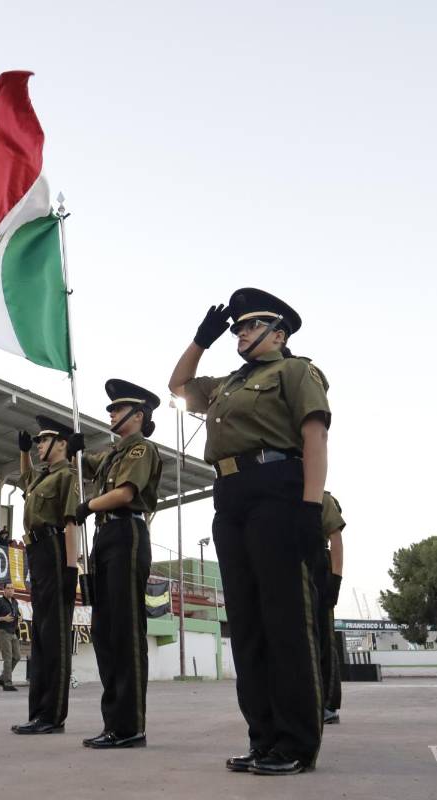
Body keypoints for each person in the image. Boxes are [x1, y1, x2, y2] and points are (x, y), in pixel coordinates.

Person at [169, 288, 330, 776]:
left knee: (283, 621)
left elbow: (314, 435)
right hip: (230, 493)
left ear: (278, 333)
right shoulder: (228, 383)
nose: (239, 333)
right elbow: (178, 385)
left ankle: (296, 743)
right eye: (236, 327)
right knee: (246, 624)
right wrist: (201, 341)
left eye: (249, 326)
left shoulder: (296, 371)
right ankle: (263, 739)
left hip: (276, 487)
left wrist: (309, 507)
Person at [71, 379, 164, 749]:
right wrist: (75, 448)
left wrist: (88, 506)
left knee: (125, 632)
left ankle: (130, 727)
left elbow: (125, 494)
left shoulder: (142, 450)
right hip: (104, 537)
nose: (109, 413)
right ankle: (114, 724)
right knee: (106, 631)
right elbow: (84, 464)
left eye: (116, 409)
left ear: (137, 415)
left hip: (127, 533)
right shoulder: (112, 454)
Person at [11, 415, 81, 735]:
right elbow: (26, 478)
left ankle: (53, 715)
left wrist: (70, 568)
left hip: (54, 549)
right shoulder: (43, 477)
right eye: (37, 441)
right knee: (40, 635)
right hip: (36, 552)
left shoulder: (67, 475)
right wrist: (23, 452)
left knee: (54, 635)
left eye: (43, 441)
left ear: (61, 444)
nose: (39, 445)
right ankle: (38, 711)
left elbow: (71, 523)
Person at [318, 492, 345, 724]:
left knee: (324, 641)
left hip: (319, 566)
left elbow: (335, 539)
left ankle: (328, 705)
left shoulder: (323, 498)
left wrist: (335, 580)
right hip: (291, 566)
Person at [0, 584, 22, 691]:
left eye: (12, 588)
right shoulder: (0, 601)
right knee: (8, 658)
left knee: (17, 657)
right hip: (3, 632)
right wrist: (3, 618)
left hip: (13, 632)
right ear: (3, 590)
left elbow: (16, 615)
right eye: (8, 588)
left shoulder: (15, 602)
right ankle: (7, 683)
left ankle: (2, 678)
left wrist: (19, 617)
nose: (10, 590)